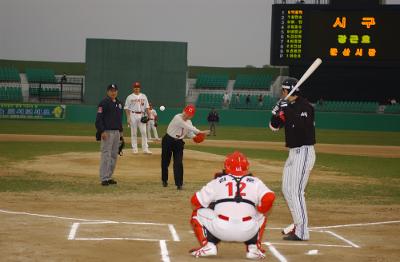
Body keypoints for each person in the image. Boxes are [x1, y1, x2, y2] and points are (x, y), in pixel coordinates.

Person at [189, 151, 275, 259]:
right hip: (248, 230)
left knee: (197, 213)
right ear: (247, 166)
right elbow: (269, 197)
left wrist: (213, 205)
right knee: (261, 215)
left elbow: (195, 201)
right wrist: (261, 208)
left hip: (221, 229)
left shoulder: (218, 181)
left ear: (226, 166)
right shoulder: (256, 181)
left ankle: (208, 246)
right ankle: (254, 249)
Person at [269, 77, 316, 241]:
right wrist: (276, 112)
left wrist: (286, 109)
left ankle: (302, 231)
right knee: (287, 190)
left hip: (304, 152)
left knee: (296, 192)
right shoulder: (288, 106)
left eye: (284, 90)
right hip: (293, 153)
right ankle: (297, 224)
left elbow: (301, 127)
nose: (282, 93)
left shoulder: (306, 107)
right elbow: (274, 127)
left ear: (290, 91)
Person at [161, 104, 209, 190]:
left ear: (192, 116)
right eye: (186, 113)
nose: (187, 115)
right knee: (165, 162)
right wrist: (200, 132)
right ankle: (164, 180)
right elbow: (186, 126)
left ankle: (179, 184)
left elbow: (189, 131)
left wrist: (195, 137)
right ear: (184, 111)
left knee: (178, 163)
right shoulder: (177, 117)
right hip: (168, 140)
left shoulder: (189, 122)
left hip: (179, 143)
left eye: (189, 114)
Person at [95, 84, 124, 186]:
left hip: (116, 132)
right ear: (108, 92)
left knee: (113, 155)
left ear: (117, 91)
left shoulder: (120, 104)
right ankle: (104, 178)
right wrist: (102, 131)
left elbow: (119, 119)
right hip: (107, 132)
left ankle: (109, 176)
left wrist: (121, 133)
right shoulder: (103, 103)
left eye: (115, 90)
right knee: (106, 155)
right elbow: (98, 119)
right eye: (111, 90)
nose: (113, 92)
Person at [124, 81, 152, 154]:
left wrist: (149, 116)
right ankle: (135, 148)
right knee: (134, 133)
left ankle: (145, 149)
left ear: (140, 88)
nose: (137, 89)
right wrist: (128, 117)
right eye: (135, 87)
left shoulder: (144, 96)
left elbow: (147, 107)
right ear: (133, 88)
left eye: (138, 87)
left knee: (144, 132)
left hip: (142, 115)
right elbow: (126, 108)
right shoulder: (129, 97)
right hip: (133, 114)